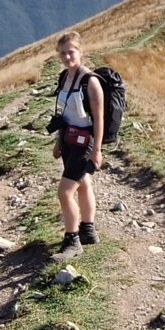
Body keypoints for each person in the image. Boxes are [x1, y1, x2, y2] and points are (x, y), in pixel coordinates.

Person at [49, 31, 104, 260]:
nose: (67, 57)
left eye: (71, 52)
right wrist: (58, 141)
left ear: (80, 52)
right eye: (62, 53)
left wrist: (97, 150)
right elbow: (64, 113)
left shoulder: (90, 82)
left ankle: (72, 242)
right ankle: (88, 231)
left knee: (64, 193)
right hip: (69, 140)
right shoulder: (64, 77)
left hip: (85, 143)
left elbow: (99, 119)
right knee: (83, 184)